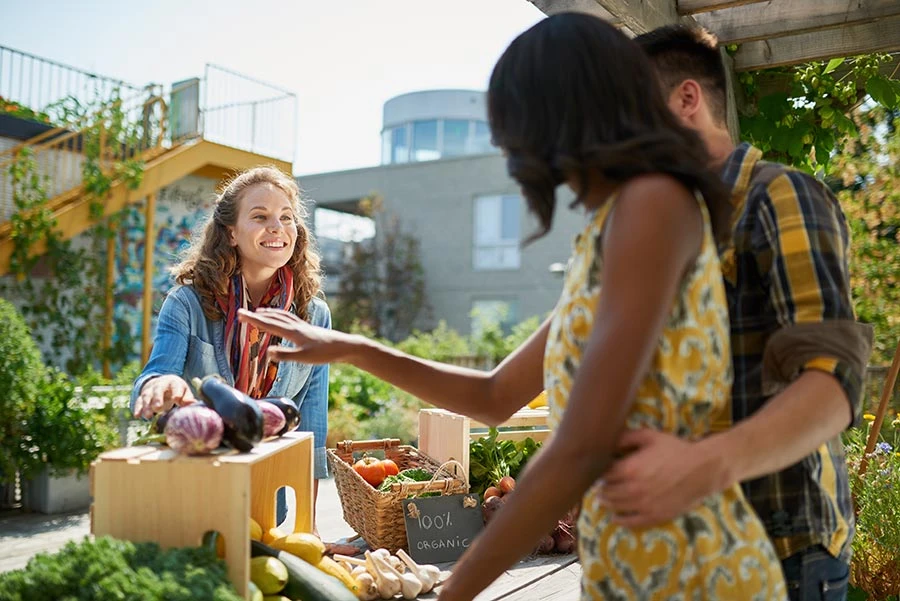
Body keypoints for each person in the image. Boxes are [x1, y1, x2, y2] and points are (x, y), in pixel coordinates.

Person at [239, 13, 787, 600]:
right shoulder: (613, 229)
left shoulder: (652, 207)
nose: (511, 148)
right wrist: (352, 349)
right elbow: (496, 396)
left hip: (696, 573)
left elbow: (579, 446)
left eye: (516, 125)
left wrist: (453, 593)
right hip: (628, 570)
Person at [596, 24, 874, 600]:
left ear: (687, 100)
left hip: (783, 554)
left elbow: (834, 384)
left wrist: (697, 467)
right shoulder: (666, 232)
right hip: (684, 551)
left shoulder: (779, 195)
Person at [130, 166, 332, 533]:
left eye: (287, 217)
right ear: (232, 233)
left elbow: (312, 423)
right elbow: (158, 373)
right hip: (194, 490)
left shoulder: (313, 315)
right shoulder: (188, 303)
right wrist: (157, 385)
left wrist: (309, 529)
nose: (277, 227)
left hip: (269, 497)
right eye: (260, 217)